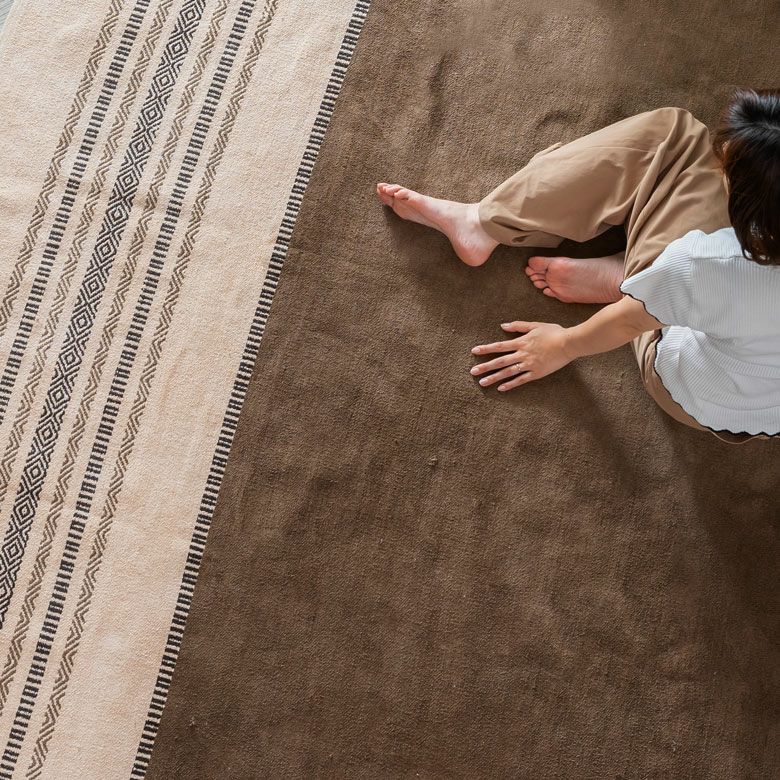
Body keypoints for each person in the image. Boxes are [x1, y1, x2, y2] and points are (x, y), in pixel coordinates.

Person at [376, 89, 780, 443]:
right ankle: (644, 280)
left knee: (674, 136)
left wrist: (562, 345)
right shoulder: (721, 265)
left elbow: (627, 323)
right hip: (767, 411)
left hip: (691, 388)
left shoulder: (711, 263)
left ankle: (484, 225)